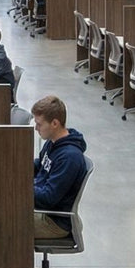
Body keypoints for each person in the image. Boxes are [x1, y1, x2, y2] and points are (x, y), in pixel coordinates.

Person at [31, 95, 88, 238]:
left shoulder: (69, 157)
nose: (36, 128)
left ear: (54, 123)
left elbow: (48, 198)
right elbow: (41, 165)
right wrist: (17, 166)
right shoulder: (53, 141)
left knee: (2, 221)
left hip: (54, 221)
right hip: (44, 210)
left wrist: (20, 190)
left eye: (39, 124)